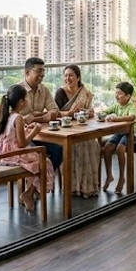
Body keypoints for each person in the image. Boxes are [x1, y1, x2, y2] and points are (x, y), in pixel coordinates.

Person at [0, 84, 54, 213]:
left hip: (0, 154)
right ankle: (29, 193)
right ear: (21, 102)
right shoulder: (18, 118)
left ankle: (31, 193)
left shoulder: (7, 115)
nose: (27, 101)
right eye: (26, 99)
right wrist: (35, 131)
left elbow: (11, 135)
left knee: (37, 159)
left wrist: (27, 129)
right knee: (45, 162)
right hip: (11, 155)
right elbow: (21, 144)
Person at [54, 65, 98, 197]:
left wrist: (88, 112)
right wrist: (69, 113)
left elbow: (89, 110)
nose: (67, 78)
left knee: (92, 144)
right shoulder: (60, 93)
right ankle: (74, 187)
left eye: (71, 75)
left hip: (82, 127)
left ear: (78, 77)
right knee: (76, 145)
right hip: (65, 129)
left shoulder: (84, 92)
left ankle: (87, 186)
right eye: (65, 75)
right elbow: (55, 113)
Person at [18, 57, 63, 170]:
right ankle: (40, 183)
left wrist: (34, 118)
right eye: (39, 70)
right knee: (47, 152)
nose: (42, 74)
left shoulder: (44, 90)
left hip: (40, 136)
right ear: (27, 72)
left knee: (60, 149)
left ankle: (41, 183)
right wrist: (43, 116)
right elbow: (13, 118)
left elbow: (55, 112)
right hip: (21, 138)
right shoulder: (17, 91)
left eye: (43, 71)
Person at [100, 82, 136, 194]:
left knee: (120, 149)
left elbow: (132, 117)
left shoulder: (131, 106)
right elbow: (105, 111)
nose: (116, 95)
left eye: (119, 93)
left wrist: (115, 119)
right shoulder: (116, 105)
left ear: (128, 96)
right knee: (106, 149)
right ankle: (109, 176)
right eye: (116, 93)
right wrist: (102, 114)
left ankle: (122, 177)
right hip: (119, 133)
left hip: (130, 134)